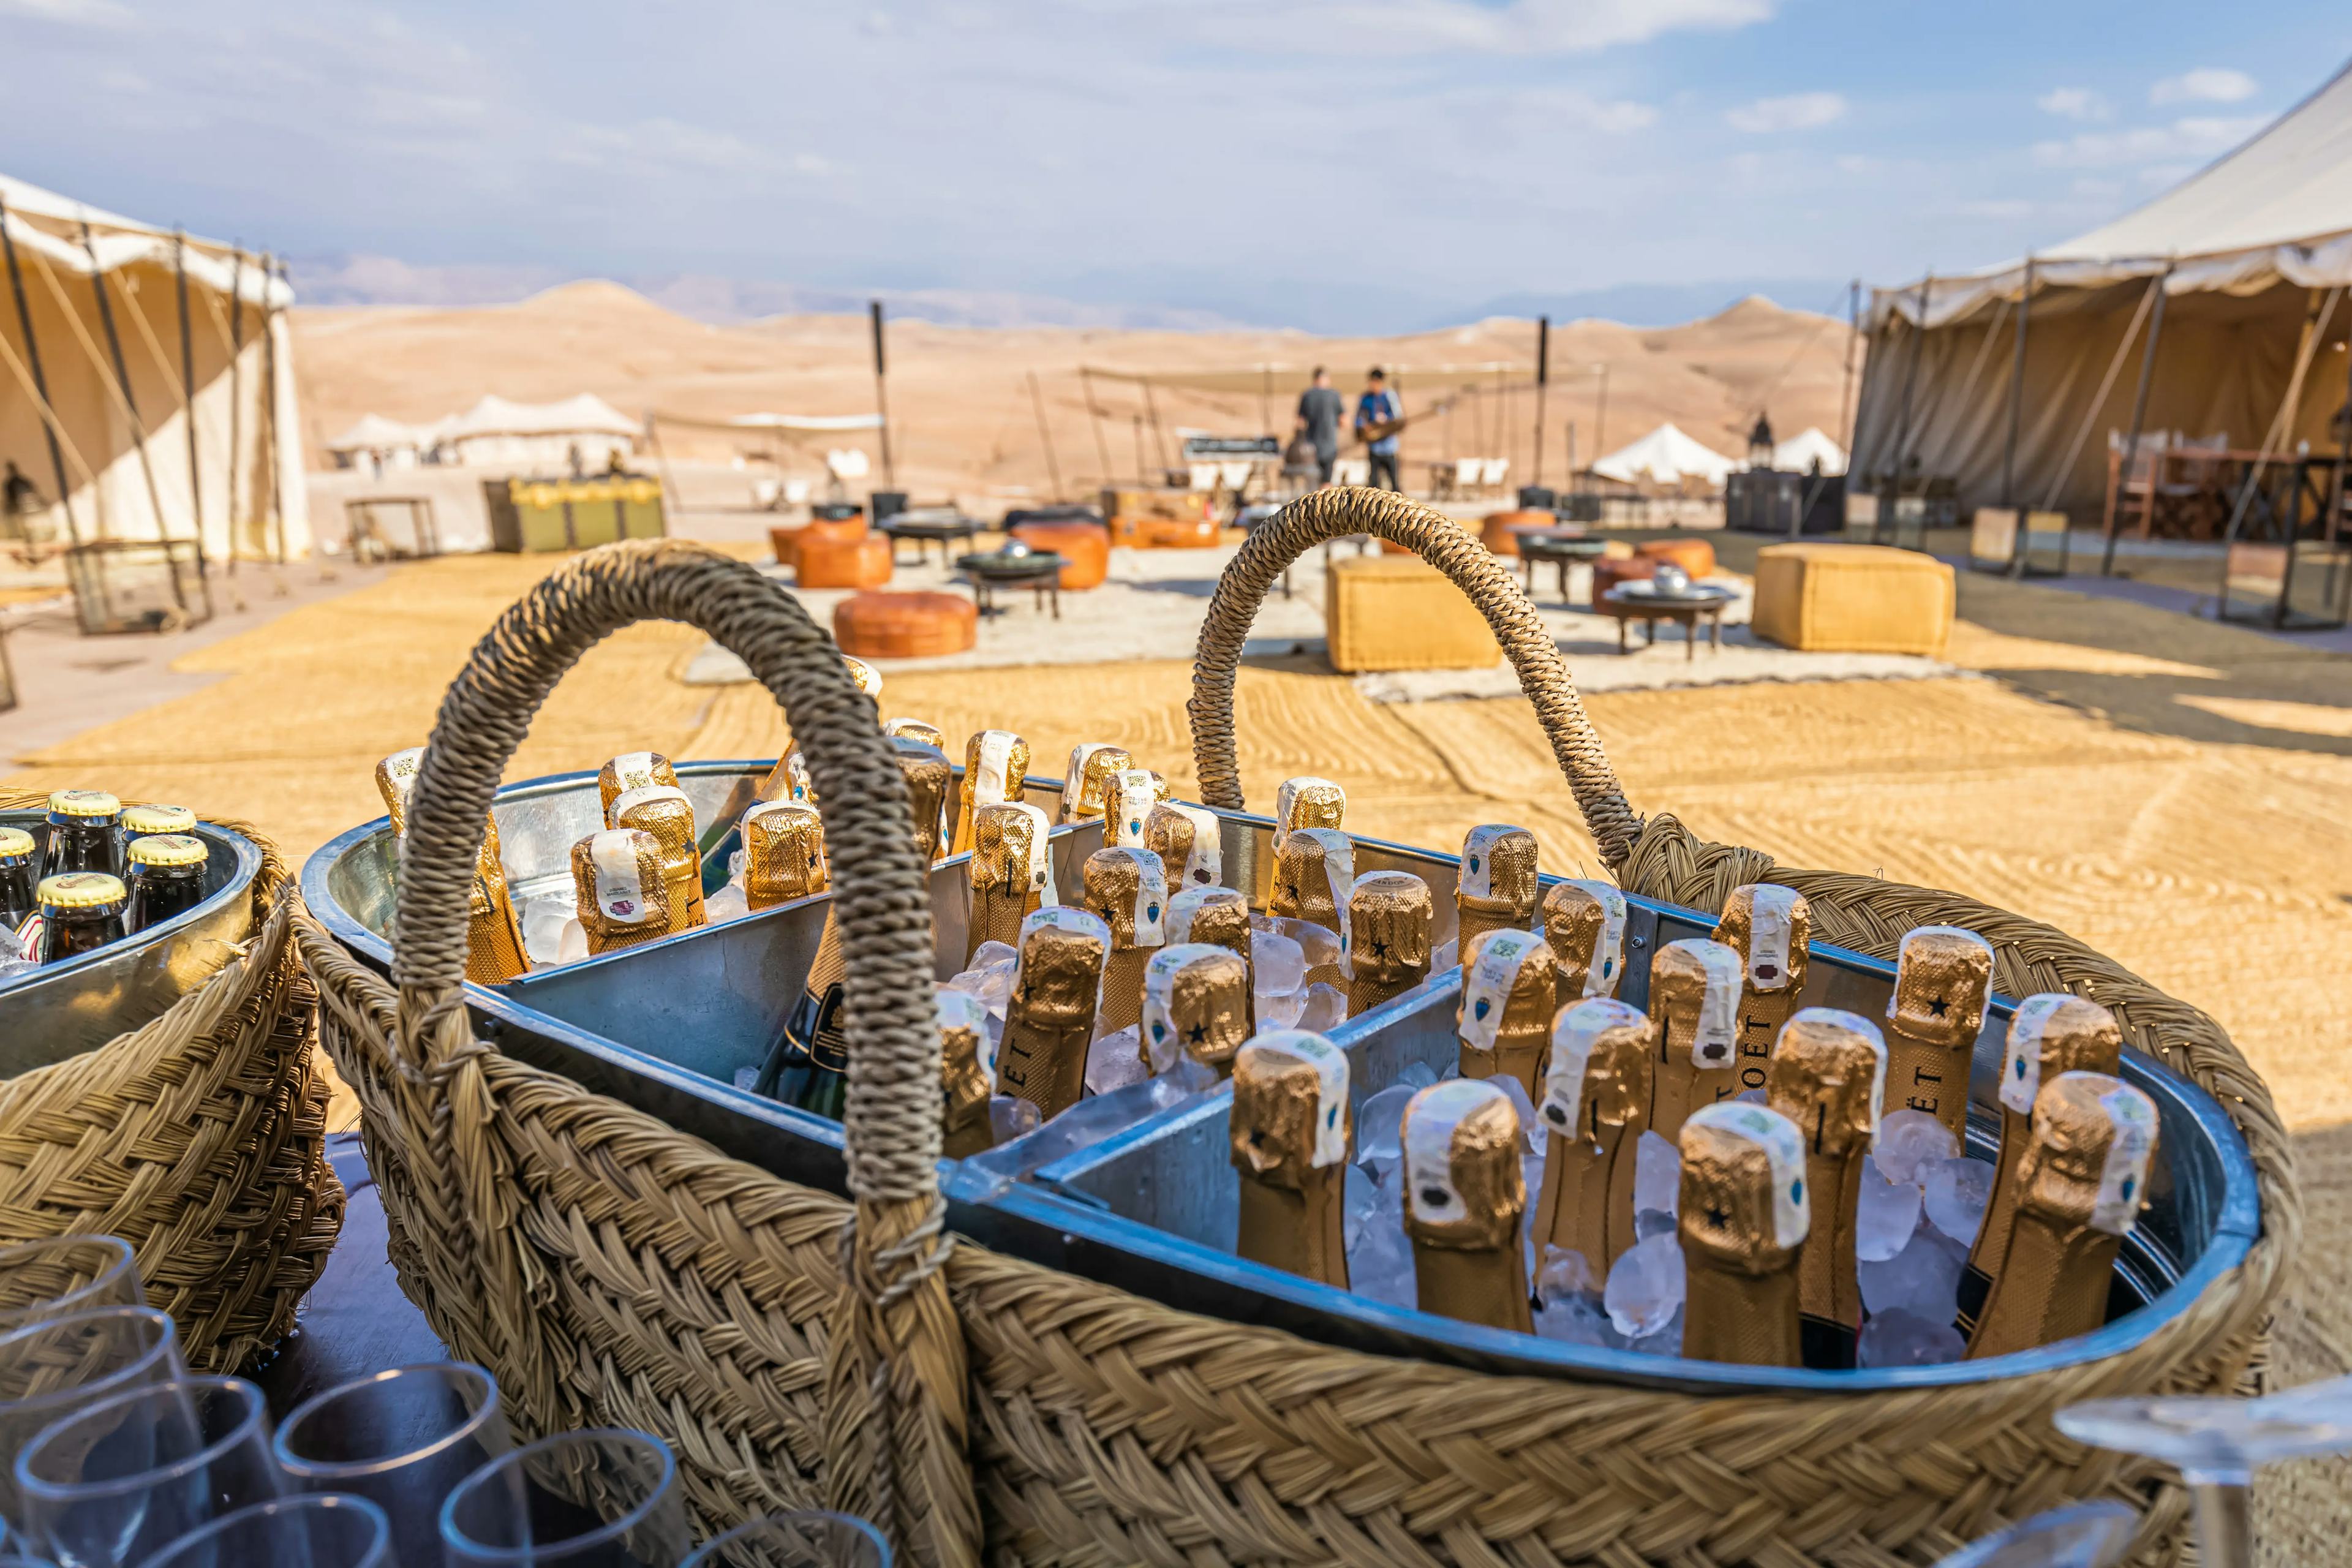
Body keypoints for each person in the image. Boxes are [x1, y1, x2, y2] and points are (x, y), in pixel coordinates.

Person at [1294, 367, 1344, 486]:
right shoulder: (1334, 395)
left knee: (1312, 482)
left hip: (1310, 448)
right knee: (1326, 484)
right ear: (1327, 379)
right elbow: (1344, 421)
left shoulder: (1307, 396)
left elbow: (1300, 423)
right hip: (1330, 446)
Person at [1355, 368, 1403, 491]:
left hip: (1389, 447)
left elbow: (1398, 418)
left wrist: (1386, 421)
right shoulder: (1365, 399)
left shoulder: (1389, 396)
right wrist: (1366, 426)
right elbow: (1359, 419)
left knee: (1394, 483)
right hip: (1374, 447)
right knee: (1374, 485)